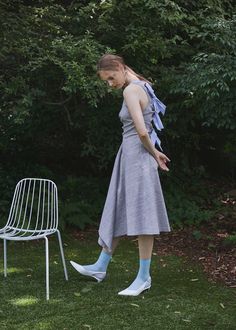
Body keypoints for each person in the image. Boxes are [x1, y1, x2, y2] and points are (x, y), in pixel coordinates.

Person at [70, 54, 171, 296]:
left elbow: (142, 132)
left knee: (143, 217)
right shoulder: (145, 85)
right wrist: (153, 153)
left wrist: (154, 154)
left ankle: (144, 277)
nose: (110, 84)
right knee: (118, 207)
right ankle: (100, 266)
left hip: (137, 157)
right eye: (106, 81)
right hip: (130, 157)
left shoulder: (131, 91)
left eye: (111, 78)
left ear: (119, 68)